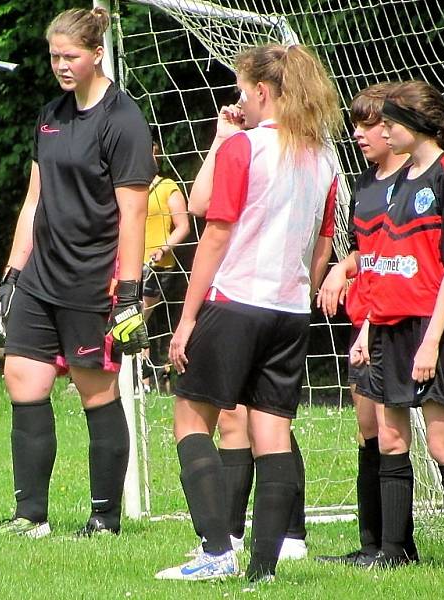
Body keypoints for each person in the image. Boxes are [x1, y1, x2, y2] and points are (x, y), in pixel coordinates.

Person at [154, 43, 341, 582]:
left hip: (235, 303)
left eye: (242, 90)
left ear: (262, 91)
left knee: (191, 419)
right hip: (289, 312)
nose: (240, 101)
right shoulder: (323, 155)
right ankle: (262, 571)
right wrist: (299, 294)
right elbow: (323, 239)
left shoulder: (245, 148)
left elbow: (212, 228)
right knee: (273, 435)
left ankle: (216, 554)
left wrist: (187, 319)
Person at [0, 6, 154, 539]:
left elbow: (133, 213)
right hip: (40, 277)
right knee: (23, 379)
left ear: (97, 54)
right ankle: (29, 516)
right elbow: (34, 199)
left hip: (91, 281)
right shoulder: (49, 114)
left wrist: (128, 292)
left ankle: (104, 518)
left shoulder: (123, 119)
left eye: (71, 56)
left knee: (96, 394)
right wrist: (12, 274)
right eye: (54, 56)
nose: (61, 65)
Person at [317, 84, 444, 566]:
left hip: (425, 329)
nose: (382, 131)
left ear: (415, 124)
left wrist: (431, 342)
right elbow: (380, 262)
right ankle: (391, 552)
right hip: (385, 327)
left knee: (441, 440)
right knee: (391, 438)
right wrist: (367, 328)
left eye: (389, 122)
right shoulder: (398, 180)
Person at [141, 139, 190, 391]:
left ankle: (141, 376)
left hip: (157, 265)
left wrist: (164, 248)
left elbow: (183, 226)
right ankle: (145, 381)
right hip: (131, 263)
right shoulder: (130, 188)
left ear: (155, 153)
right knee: (141, 323)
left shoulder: (167, 187)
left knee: (137, 318)